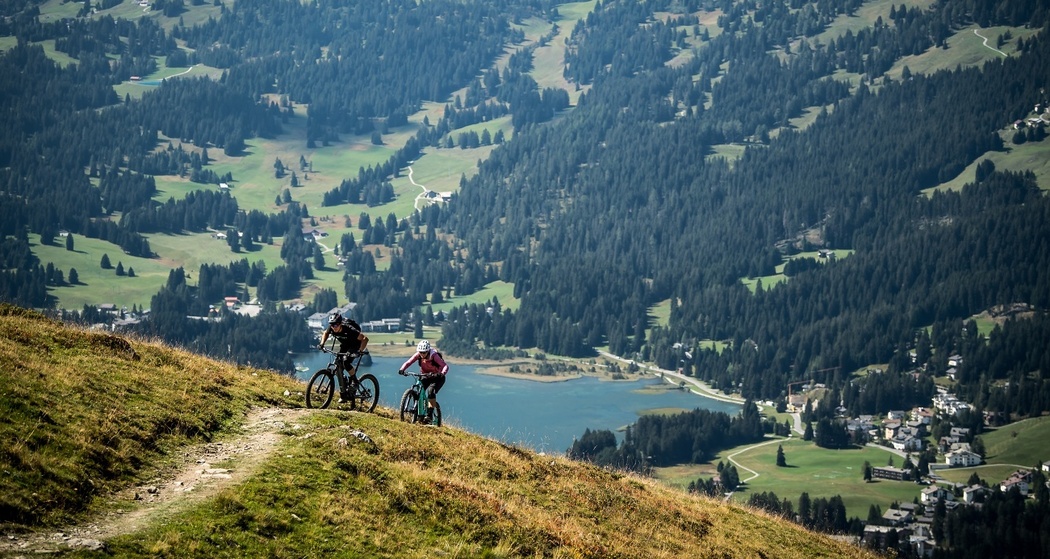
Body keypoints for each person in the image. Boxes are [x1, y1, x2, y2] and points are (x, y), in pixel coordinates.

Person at [398, 340, 448, 423]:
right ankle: (419, 413)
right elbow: (409, 362)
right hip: (425, 376)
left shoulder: (434, 356)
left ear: (428, 351)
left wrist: (442, 374)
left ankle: (429, 415)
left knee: (430, 392)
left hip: (437, 377)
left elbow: (445, 366)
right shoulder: (419, 355)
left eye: (424, 352)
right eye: (420, 352)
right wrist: (402, 369)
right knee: (418, 389)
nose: (422, 354)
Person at [318, 312, 369, 390]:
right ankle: (344, 389)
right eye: (332, 325)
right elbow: (326, 333)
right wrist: (322, 344)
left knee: (346, 362)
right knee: (338, 363)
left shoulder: (349, 329)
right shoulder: (331, 327)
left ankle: (354, 381)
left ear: (340, 324)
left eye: (336, 325)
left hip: (355, 345)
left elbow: (365, 339)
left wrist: (359, 351)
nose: (334, 327)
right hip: (345, 345)